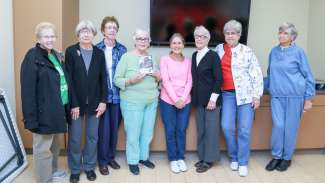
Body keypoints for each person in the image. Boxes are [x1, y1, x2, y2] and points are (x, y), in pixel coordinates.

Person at [20, 22, 69, 183]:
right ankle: (44, 179)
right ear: (39, 38)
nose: (50, 39)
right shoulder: (32, 56)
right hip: (43, 112)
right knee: (42, 149)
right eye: (46, 36)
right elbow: (27, 91)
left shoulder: (55, 54)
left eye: (52, 36)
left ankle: (53, 170)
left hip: (57, 109)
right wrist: (31, 118)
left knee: (54, 146)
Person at [215, 20, 263, 177]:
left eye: (233, 33)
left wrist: (257, 96)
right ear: (224, 35)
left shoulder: (247, 51)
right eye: (227, 33)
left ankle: (243, 162)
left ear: (239, 35)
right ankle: (233, 157)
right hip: (227, 94)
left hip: (246, 95)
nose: (230, 36)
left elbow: (256, 74)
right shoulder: (218, 50)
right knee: (227, 127)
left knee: (244, 130)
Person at [265, 22, 315, 172]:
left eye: (285, 33)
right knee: (278, 127)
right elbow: (270, 72)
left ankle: (286, 158)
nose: (281, 35)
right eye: (280, 32)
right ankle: (276, 156)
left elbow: (308, 76)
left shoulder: (299, 52)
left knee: (290, 128)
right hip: (277, 97)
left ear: (292, 37)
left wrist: (308, 99)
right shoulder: (273, 51)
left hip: (295, 96)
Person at [65, 20, 107, 183]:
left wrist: (103, 101)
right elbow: (68, 80)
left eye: (89, 31)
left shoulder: (99, 53)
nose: (86, 34)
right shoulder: (71, 51)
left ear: (94, 34)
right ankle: (75, 169)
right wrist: (73, 103)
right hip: (76, 103)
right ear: (78, 34)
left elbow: (103, 79)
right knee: (75, 138)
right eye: (83, 31)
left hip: (96, 103)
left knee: (92, 137)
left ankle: (89, 167)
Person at [114, 29, 160, 175]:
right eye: (140, 39)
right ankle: (133, 160)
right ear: (135, 41)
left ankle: (143, 157)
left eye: (145, 39)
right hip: (132, 102)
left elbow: (158, 80)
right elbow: (117, 80)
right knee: (133, 133)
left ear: (149, 42)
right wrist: (131, 80)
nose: (142, 41)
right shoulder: (126, 57)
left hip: (151, 101)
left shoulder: (151, 57)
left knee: (147, 132)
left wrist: (158, 76)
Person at [96, 16, 127, 175]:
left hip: (118, 96)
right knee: (103, 130)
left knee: (114, 129)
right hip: (102, 97)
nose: (112, 30)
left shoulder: (122, 49)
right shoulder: (96, 49)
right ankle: (102, 161)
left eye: (115, 27)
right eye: (109, 27)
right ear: (103, 30)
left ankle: (110, 157)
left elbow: (127, 73)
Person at [191, 25, 222, 173]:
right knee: (201, 130)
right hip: (198, 100)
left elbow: (218, 79)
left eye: (203, 36)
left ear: (208, 39)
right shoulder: (194, 55)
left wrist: (213, 99)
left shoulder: (213, 55)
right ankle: (202, 157)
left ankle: (209, 160)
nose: (200, 39)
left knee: (211, 130)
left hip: (211, 102)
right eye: (197, 36)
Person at [159, 33, 192, 173]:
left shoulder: (188, 61)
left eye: (179, 43)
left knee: (181, 130)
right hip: (167, 100)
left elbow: (190, 81)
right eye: (174, 43)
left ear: (183, 45)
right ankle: (173, 159)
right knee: (170, 130)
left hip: (185, 101)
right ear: (170, 45)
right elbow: (165, 81)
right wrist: (175, 100)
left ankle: (180, 158)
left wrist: (182, 99)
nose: (177, 45)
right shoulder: (164, 59)